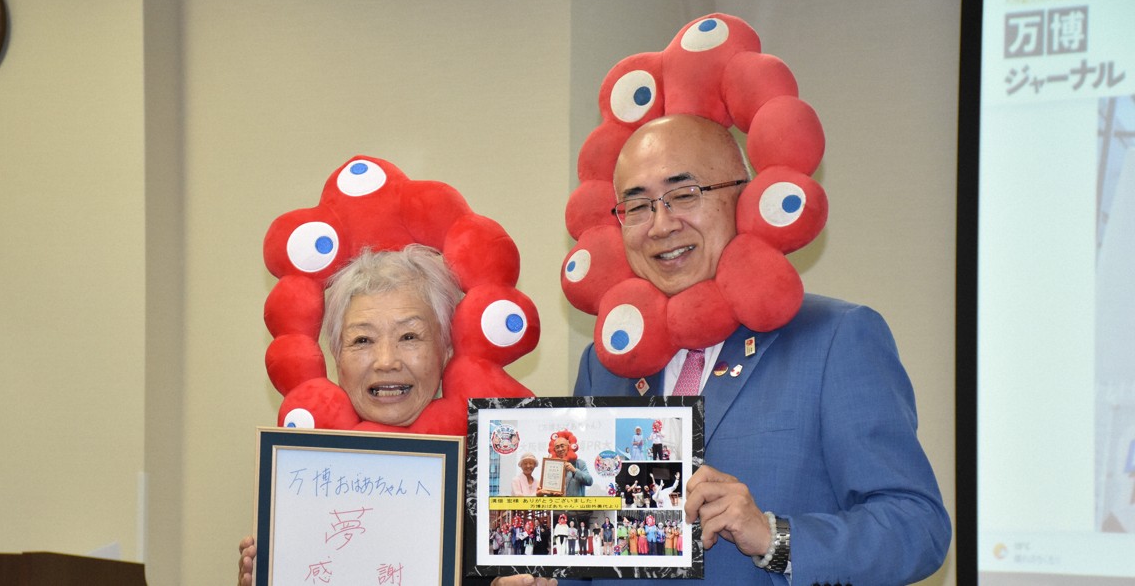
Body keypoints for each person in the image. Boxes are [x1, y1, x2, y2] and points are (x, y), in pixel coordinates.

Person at [566, 114, 951, 585]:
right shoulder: (604, 365)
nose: (661, 225)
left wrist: (773, 536)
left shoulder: (835, 339)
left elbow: (918, 527)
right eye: (638, 205)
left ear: (743, 199)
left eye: (684, 194)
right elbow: (593, 554)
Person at [238, 246, 555, 586]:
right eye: (362, 340)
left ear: (446, 349)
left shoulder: (499, 480)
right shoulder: (303, 481)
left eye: (409, 336)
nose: (386, 360)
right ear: (336, 356)